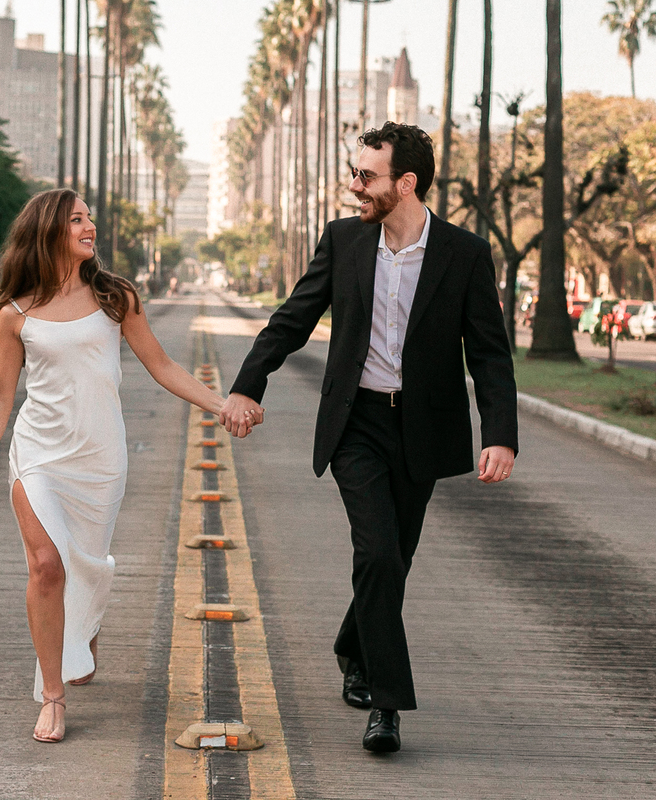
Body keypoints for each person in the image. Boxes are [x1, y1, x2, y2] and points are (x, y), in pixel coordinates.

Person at [220, 123, 518, 754]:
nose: (354, 186)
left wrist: (500, 435)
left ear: (404, 184)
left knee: (394, 561)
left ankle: (353, 646)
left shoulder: (463, 254)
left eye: (366, 176)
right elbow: (294, 318)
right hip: (356, 424)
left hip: (422, 429)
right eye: (355, 173)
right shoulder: (345, 241)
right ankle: (387, 705)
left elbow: (489, 354)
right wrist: (249, 384)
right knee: (379, 553)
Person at [0, 189, 226, 744]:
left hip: (100, 459)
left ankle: (84, 628)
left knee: (83, 566)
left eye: (89, 218)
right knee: (46, 565)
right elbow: (0, 395)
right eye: (77, 219)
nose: (90, 226)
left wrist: (222, 405)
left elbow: (160, 364)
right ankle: (53, 698)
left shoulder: (115, 298)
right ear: (51, 230)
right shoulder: (16, 314)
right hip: (38, 454)